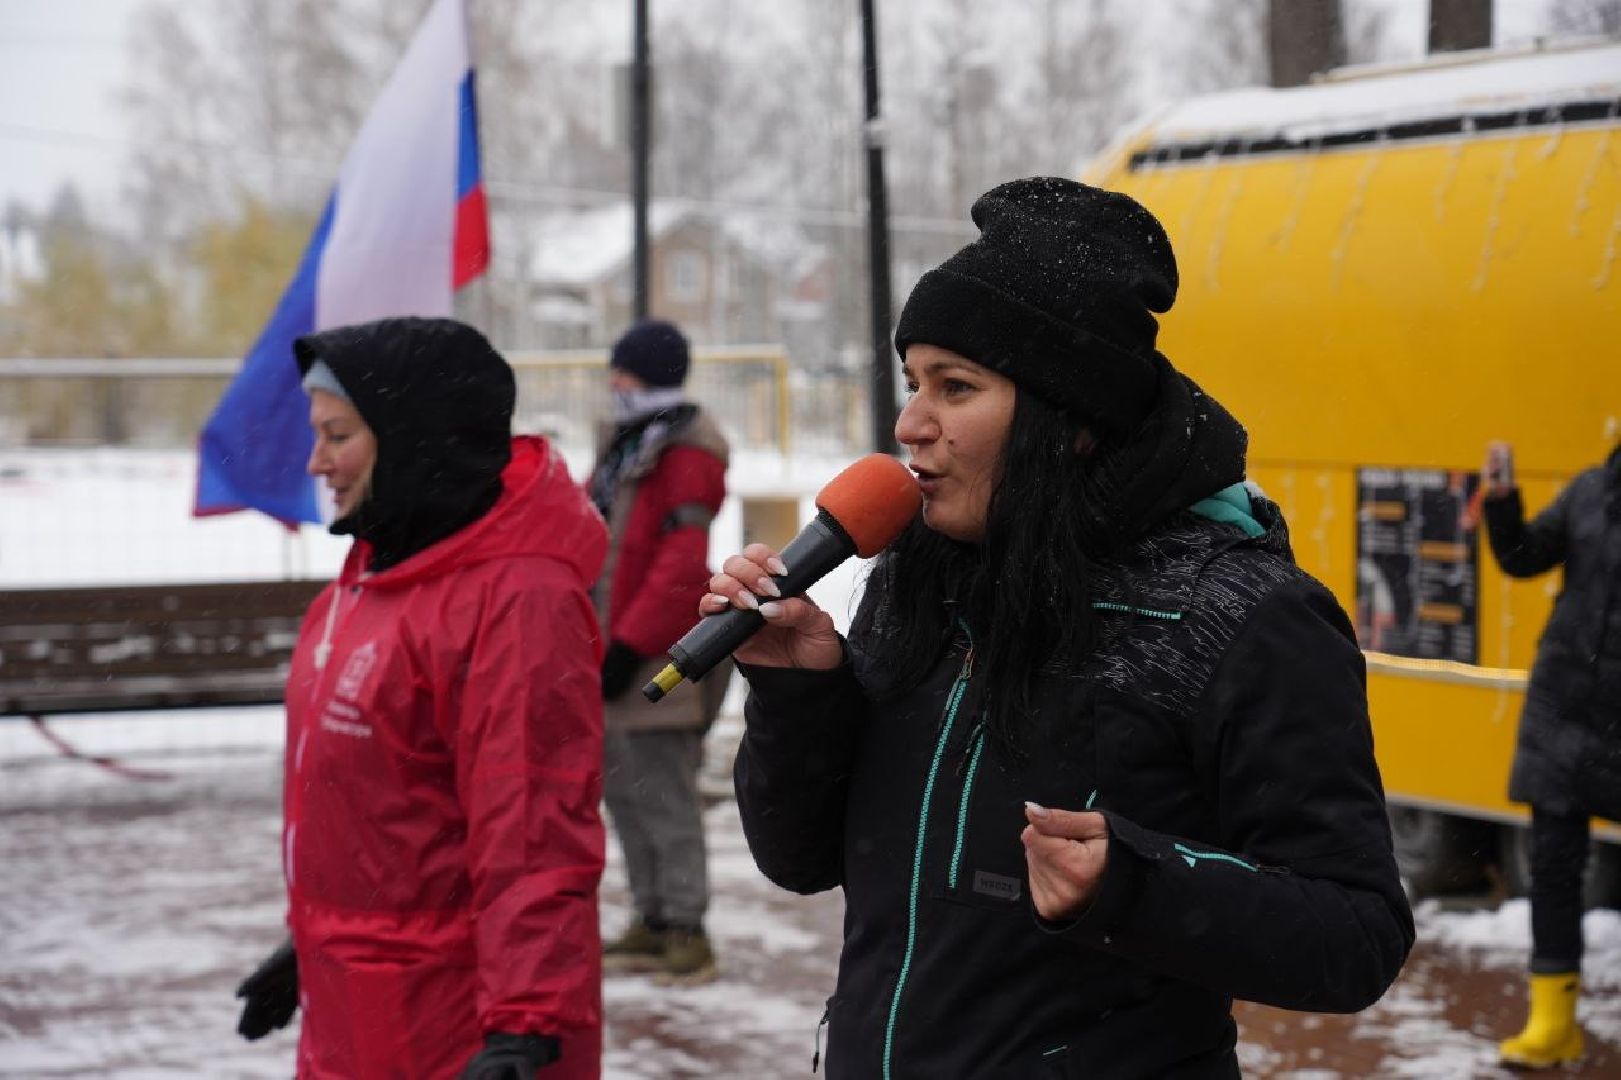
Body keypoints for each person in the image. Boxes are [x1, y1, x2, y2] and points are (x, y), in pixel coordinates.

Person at [713, 178, 1415, 1077]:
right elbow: (802, 860)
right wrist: (799, 694)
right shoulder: (919, 580)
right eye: (912, 382)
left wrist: (1135, 887)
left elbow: (1355, 935)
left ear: (1069, 421)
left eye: (954, 387)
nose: (910, 424)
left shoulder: (1243, 613)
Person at [231, 317, 608, 1079]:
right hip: (354, 1006)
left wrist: (525, 1024)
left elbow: (531, 832)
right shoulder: (372, 571)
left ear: (410, 438)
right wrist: (311, 939)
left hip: (453, 1023)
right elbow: (379, 809)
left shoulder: (515, 598)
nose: (317, 462)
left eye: (337, 436)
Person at [588, 318, 730, 985]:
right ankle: (650, 917)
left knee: (663, 798)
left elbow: (680, 563)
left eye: (623, 372)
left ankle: (686, 929)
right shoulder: (628, 445)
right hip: (611, 647)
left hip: (658, 656)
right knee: (624, 792)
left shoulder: (684, 453)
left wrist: (628, 643)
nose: (612, 384)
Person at [1482, 438, 1621, 1070]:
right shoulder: (1592, 490)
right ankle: (1552, 1023)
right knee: (1555, 870)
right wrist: (1504, 502)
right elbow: (1522, 557)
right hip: (1567, 709)